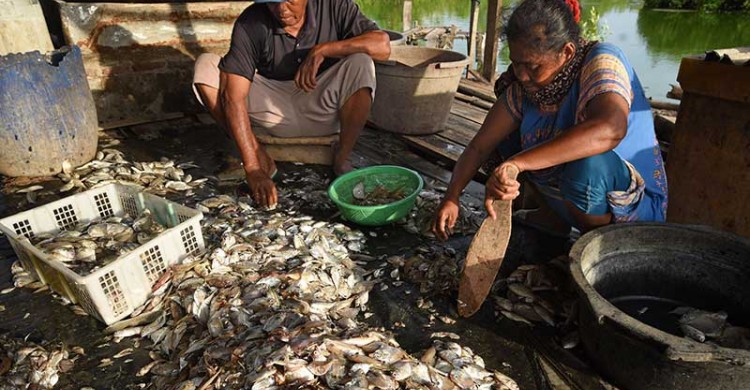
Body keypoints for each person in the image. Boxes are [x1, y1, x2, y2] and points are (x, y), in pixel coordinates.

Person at [432, 0, 668, 240]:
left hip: (631, 206)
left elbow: (610, 129)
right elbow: (479, 146)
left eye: (533, 66)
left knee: (588, 166)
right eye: (516, 63)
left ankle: (598, 241)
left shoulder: (602, 59)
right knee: (504, 138)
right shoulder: (524, 88)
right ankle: (552, 216)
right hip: (568, 196)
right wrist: (452, 197)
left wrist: (518, 163)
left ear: (566, 52)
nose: (522, 75)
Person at [193, 0, 390, 208]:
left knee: (361, 62)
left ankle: (342, 158)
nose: (281, 9)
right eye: (272, 2)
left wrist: (324, 50)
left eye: (289, 0)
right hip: (272, 110)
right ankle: (259, 152)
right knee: (206, 66)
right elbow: (233, 97)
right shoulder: (250, 21)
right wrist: (252, 167)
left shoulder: (335, 6)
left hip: (323, 106)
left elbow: (383, 46)